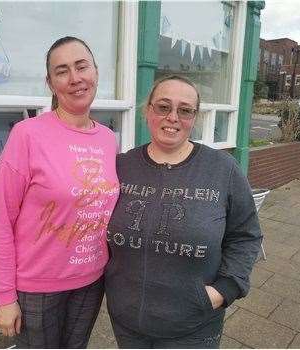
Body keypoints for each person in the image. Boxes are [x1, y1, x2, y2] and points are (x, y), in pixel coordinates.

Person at [105, 75, 262, 348]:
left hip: (194, 326)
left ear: (195, 117)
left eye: (185, 110)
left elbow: (246, 236)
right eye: (163, 107)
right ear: (148, 111)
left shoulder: (223, 169)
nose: (173, 117)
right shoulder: (121, 166)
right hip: (127, 323)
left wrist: (225, 289)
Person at [0, 36, 119, 348]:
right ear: (50, 82)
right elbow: (0, 220)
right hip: (37, 287)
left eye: (81, 66)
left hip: (91, 280)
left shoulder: (108, 139)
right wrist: (4, 296)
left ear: (96, 72)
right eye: (62, 71)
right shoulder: (27, 135)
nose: (75, 78)